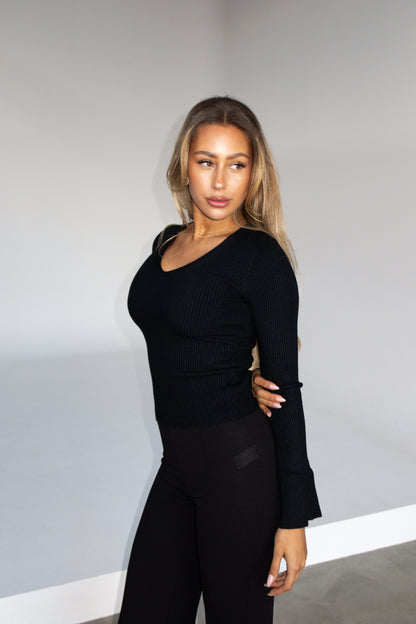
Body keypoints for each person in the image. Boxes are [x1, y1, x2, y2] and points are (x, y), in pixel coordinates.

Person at [118, 96, 322, 624]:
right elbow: (191, 337)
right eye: (206, 161)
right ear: (184, 165)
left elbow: (285, 390)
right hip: (178, 467)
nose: (219, 181)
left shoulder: (260, 257)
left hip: (239, 470)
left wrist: (293, 518)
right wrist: (244, 372)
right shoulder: (167, 242)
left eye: (237, 165)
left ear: (253, 174)